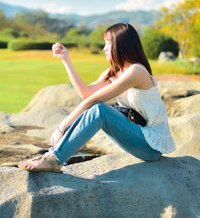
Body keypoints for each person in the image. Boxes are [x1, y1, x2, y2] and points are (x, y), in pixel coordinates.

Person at [18, 22, 175, 173]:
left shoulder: (136, 71)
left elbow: (94, 101)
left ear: (122, 44)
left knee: (100, 110)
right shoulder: (112, 72)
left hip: (151, 145)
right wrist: (66, 60)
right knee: (97, 109)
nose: (104, 48)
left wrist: (62, 126)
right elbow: (86, 94)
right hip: (137, 135)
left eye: (108, 43)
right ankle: (53, 156)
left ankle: (53, 159)